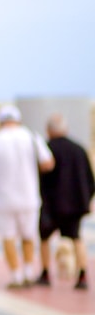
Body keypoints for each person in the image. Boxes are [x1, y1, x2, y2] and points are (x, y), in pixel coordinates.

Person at [0, 104, 55, 289]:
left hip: (4, 199)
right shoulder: (31, 137)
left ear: (0, 122)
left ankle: (16, 275)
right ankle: (28, 271)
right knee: (28, 235)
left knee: (8, 237)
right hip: (29, 197)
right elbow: (48, 163)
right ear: (18, 120)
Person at [36, 113, 93, 290]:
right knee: (76, 238)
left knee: (44, 237)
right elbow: (90, 179)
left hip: (51, 205)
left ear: (49, 130)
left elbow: (40, 178)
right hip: (74, 206)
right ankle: (82, 274)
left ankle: (45, 273)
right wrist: (86, 200)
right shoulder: (79, 149)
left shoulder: (46, 149)